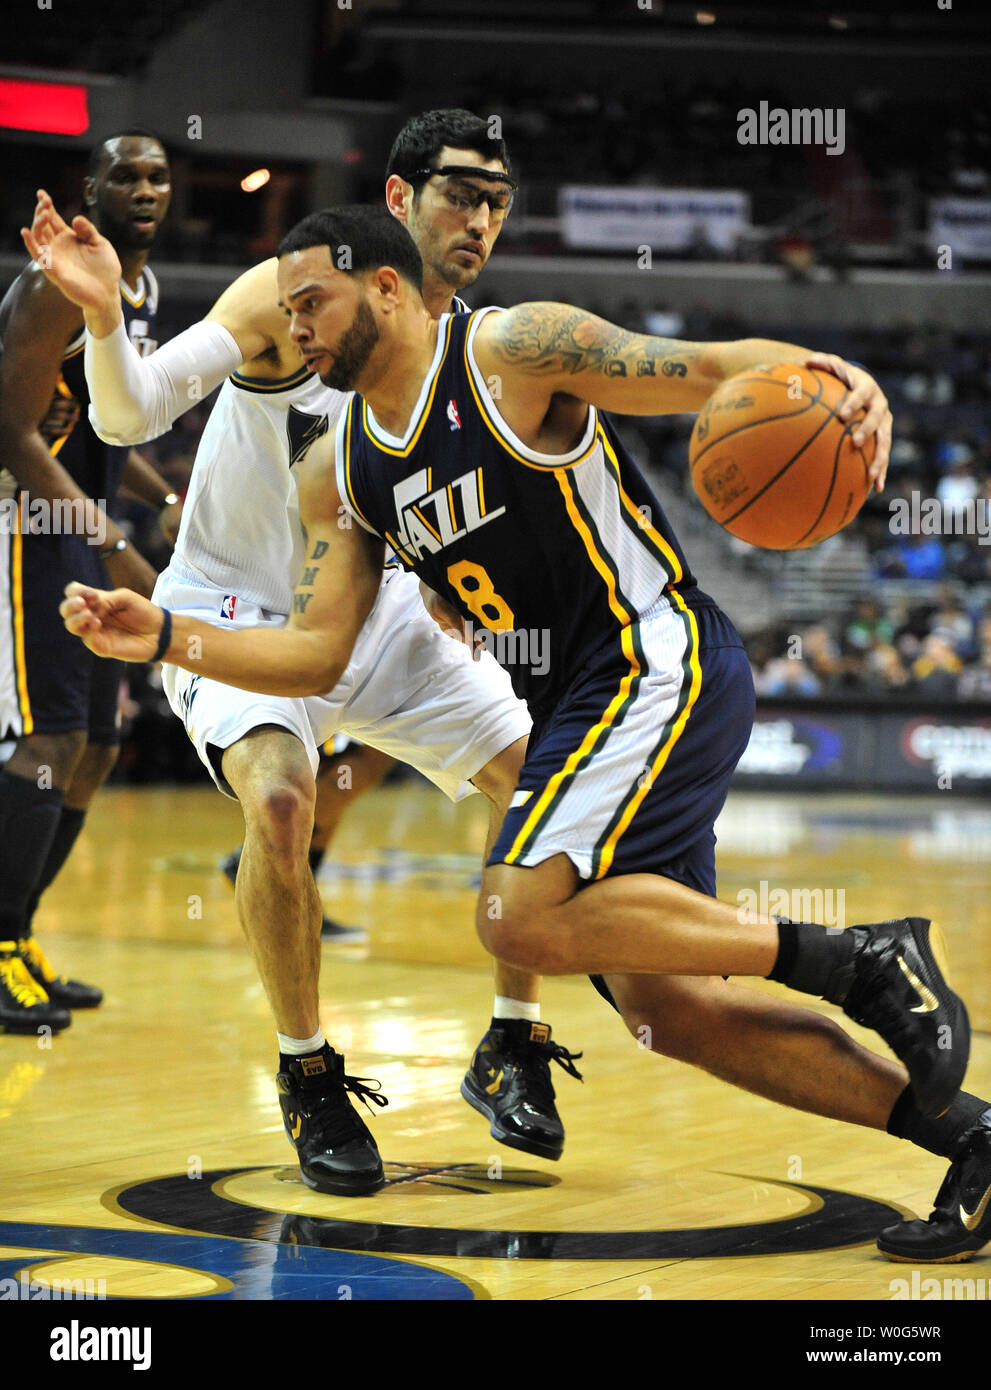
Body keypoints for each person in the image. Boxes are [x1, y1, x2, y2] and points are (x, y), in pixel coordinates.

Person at [61, 206, 990, 1261]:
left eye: (311, 299)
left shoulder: (508, 352)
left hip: (655, 654)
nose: (295, 325)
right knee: (670, 1011)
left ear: (389, 288)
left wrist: (836, 377)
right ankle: (973, 1140)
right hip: (583, 708)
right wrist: (167, 637)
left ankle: (862, 958)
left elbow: (705, 368)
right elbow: (318, 657)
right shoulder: (338, 470)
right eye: (288, 306)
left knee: (514, 915)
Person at [30, 111, 582, 1189]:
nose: (480, 219)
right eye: (460, 192)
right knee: (279, 800)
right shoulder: (288, 290)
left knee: (538, 787)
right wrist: (102, 323)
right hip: (234, 612)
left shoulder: (470, 342)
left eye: (498, 201)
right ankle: (307, 1069)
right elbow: (132, 412)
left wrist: (450, 581)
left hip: (371, 619)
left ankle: (513, 1038)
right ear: (396, 200)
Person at [0, 130, 179, 1035]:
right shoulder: (50, 285)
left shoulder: (138, 291)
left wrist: (168, 492)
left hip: (85, 519)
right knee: (48, 741)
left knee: (98, 745)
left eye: (158, 176)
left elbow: (116, 425)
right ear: (92, 186)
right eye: (126, 175)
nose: (145, 189)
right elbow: (13, 430)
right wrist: (109, 542)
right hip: (30, 523)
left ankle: (19, 935)